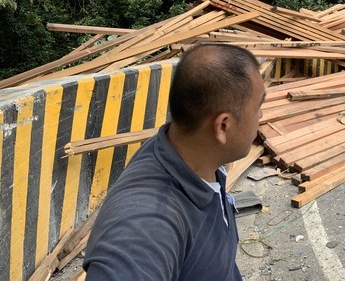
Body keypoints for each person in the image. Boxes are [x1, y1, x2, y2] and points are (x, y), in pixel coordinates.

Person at [83, 43, 266, 280]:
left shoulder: (190, 153)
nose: (261, 116)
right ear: (223, 126)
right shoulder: (147, 225)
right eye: (259, 105)